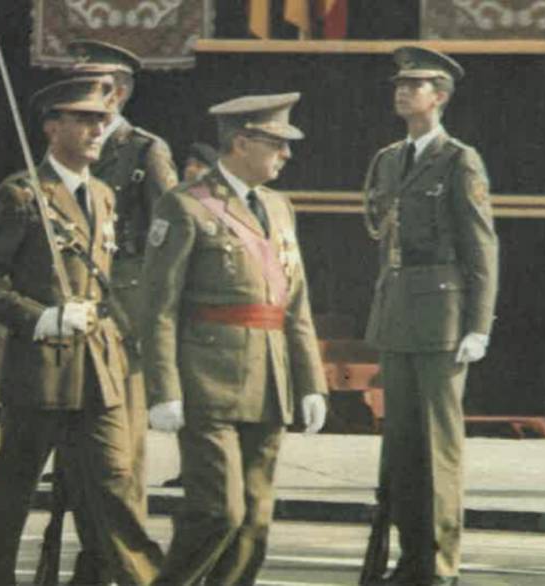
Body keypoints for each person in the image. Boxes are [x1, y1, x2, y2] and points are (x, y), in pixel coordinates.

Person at [140, 92, 328, 586]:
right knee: (218, 510)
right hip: (208, 384)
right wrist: (165, 390)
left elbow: (296, 304)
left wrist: (311, 383)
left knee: (254, 522)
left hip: (271, 381)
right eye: (276, 143)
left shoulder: (279, 207)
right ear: (241, 142)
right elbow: (158, 308)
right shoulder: (185, 205)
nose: (286, 155)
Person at [0, 76, 161, 585]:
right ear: (51, 127)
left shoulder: (105, 195)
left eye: (102, 121)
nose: (96, 130)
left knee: (114, 487)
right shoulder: (21, 194)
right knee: (12, 494)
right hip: (40, 372)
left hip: (97, 368)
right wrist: (39, 316)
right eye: (84, 119)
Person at [362, 46, 499, 586]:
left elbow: (481, 248)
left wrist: (479, 325)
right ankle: (411, 556)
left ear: (439, 97)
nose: (402, 91)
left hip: (443, 314)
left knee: (439, 449)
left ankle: (440, 564)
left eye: (415, 85)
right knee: (401, 447)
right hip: (399, 310)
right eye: (399, 83)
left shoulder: (459, 159)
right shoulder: (390, 159)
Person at [62, 39, 178, 583]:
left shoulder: (145, 150)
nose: (85, 95)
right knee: (77, 459)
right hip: (69, 316)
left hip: (124, 320)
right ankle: (95, 563)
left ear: (121, 92)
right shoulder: (62, 146)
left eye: (98, 85)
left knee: (120, 461)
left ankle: (120, 568)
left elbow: (171, 239)